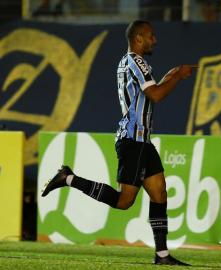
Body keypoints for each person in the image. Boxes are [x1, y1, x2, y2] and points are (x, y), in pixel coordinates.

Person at [41, 20, 196, 266]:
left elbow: (151, 92)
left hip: (142, 141)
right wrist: (177, 76)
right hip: (132, 140)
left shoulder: (127, 62)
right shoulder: (138, 61)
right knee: (125, 202)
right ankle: (67, 178)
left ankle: (162, 255)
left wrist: (171, 75)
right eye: (151, 36)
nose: (155, 40)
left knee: (159, 193)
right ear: (139, 38)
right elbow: (156, 95)